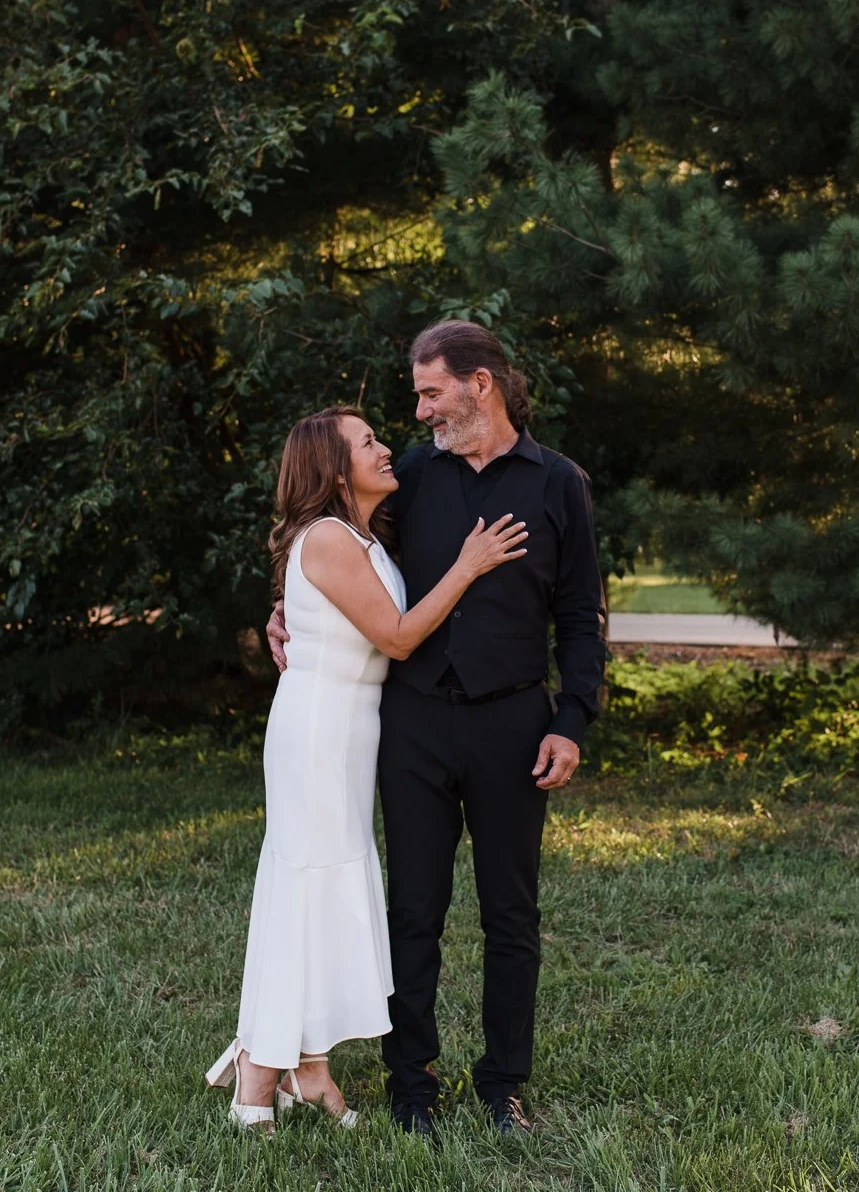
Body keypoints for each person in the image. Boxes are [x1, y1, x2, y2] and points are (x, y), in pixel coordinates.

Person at [267, 321, 608, 1138]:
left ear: (479, 383)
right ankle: (411, 1083)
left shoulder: (559, 483)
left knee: (510, 913)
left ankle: (503, 1084)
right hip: (413, 721)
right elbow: (339, 551)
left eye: (430, 393)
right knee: (413, 909)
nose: (419, 412)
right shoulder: (412, 478)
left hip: (514, 723)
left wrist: (571, 719)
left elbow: (580, 616)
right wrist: (285, 609)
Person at [207, 404, 529, 1134]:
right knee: (302, 890)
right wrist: (470, 565)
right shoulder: (327, 537)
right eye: (368, 442)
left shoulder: (358, 533)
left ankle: (310, 1066)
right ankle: (257, 1073)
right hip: (319, 730)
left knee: (325, 890)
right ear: (332, 468)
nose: (386, 448)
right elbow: (399, 636)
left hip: (352, 731)